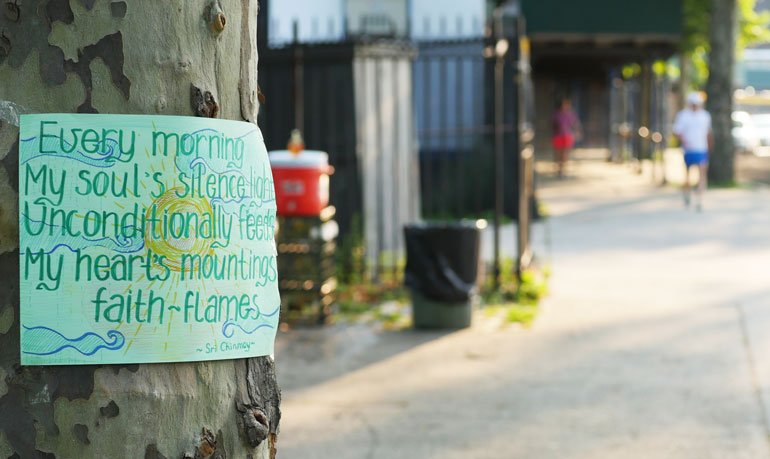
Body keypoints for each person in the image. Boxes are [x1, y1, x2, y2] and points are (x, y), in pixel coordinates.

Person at [673, 91, 713, 211]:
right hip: (689, 150)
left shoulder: (705, 115)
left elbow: (708, 132)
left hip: (701, 148)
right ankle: (687, 194)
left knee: (702, 174)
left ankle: (699, 198)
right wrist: (684, 141)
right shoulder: (683, 115)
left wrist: (709, 147)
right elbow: (677, 132)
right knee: (688, 174)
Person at [551, 98, 581, 178]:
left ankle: (563, 170)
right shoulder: (557, 114)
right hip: (558, 136)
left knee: (565, 154)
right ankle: (559, 169)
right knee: (558, 154)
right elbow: (553, 125)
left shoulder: (570, 114)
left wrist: (577, 132)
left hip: (567, 136)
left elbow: (575, 124)